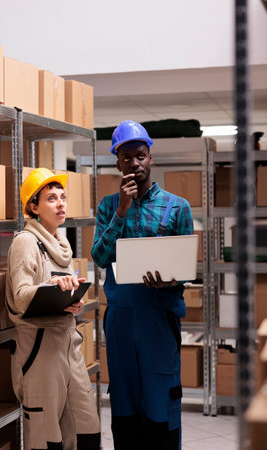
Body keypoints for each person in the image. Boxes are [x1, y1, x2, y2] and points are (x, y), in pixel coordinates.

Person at [92, 120, 194, 450]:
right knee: (124, 398)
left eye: (140, 156)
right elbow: (100, 257)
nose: (134, 163)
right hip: (121, 319)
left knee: (161, 399)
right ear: (117, 161)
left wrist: (172, 279)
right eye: (126, 157)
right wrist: (121, 211)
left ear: (150, 157)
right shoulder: (108, 206)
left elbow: (187, 266)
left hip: (158, 318)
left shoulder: (178, 207)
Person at [6, 168, 100, 450]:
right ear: (33, 207)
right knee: (47, 438)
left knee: (85, 429)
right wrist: (51, 285)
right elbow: (21, 297)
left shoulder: (61, 244)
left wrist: (71, 301)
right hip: (40, 350)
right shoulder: (25, 243)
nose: (61, 203)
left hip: (68, 344)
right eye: (51, 198)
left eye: (63, 197)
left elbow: (55, 293)